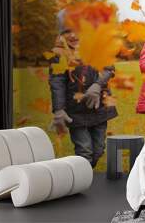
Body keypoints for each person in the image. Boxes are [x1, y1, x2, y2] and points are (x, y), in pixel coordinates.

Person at [48, 9, 118, 168]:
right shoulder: (59, 54)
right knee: (84, 151)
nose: (73, 35)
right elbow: (56, 82)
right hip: (75, 111)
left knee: (99, 149)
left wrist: (96, 85)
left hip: (99, 107)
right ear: (61, 35)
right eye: (67, 31)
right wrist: (59, 109)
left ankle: (83, 174)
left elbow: (109, 69)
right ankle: (83, 180)